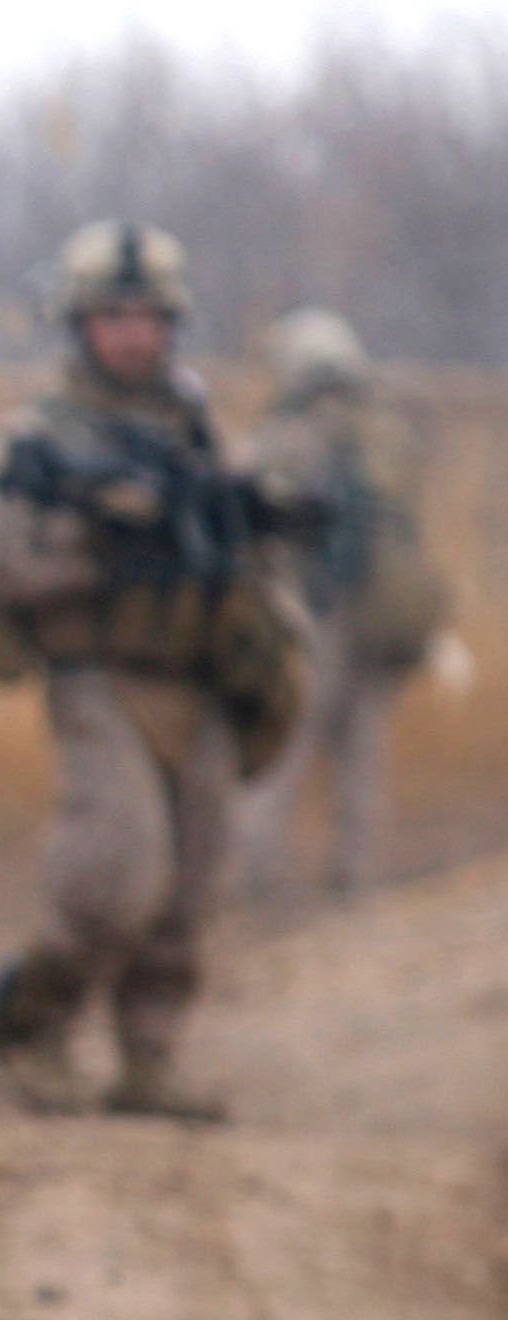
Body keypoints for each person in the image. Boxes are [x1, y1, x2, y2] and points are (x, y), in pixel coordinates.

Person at [0, 221, 305, 1122]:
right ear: (80, 324)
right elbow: (2, 566)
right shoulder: (44, 438)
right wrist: (108, 546)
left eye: (149, 316)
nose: (132, 333)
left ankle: (150, 1057)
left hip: (203, 683)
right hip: (102, 678)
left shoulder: (201, 430)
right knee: (117, 871)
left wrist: (266, 606)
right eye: (113, 316)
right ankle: (34, 1025)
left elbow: (253, 549)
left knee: (193, 882)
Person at [232, 307, 445, 899]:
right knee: (362, 749)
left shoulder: (291, 432)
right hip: (381, 614)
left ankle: (261, 872)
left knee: (288, 739)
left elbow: (254, 504)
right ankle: (355, 874)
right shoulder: (386, 428)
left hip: (315, 613)